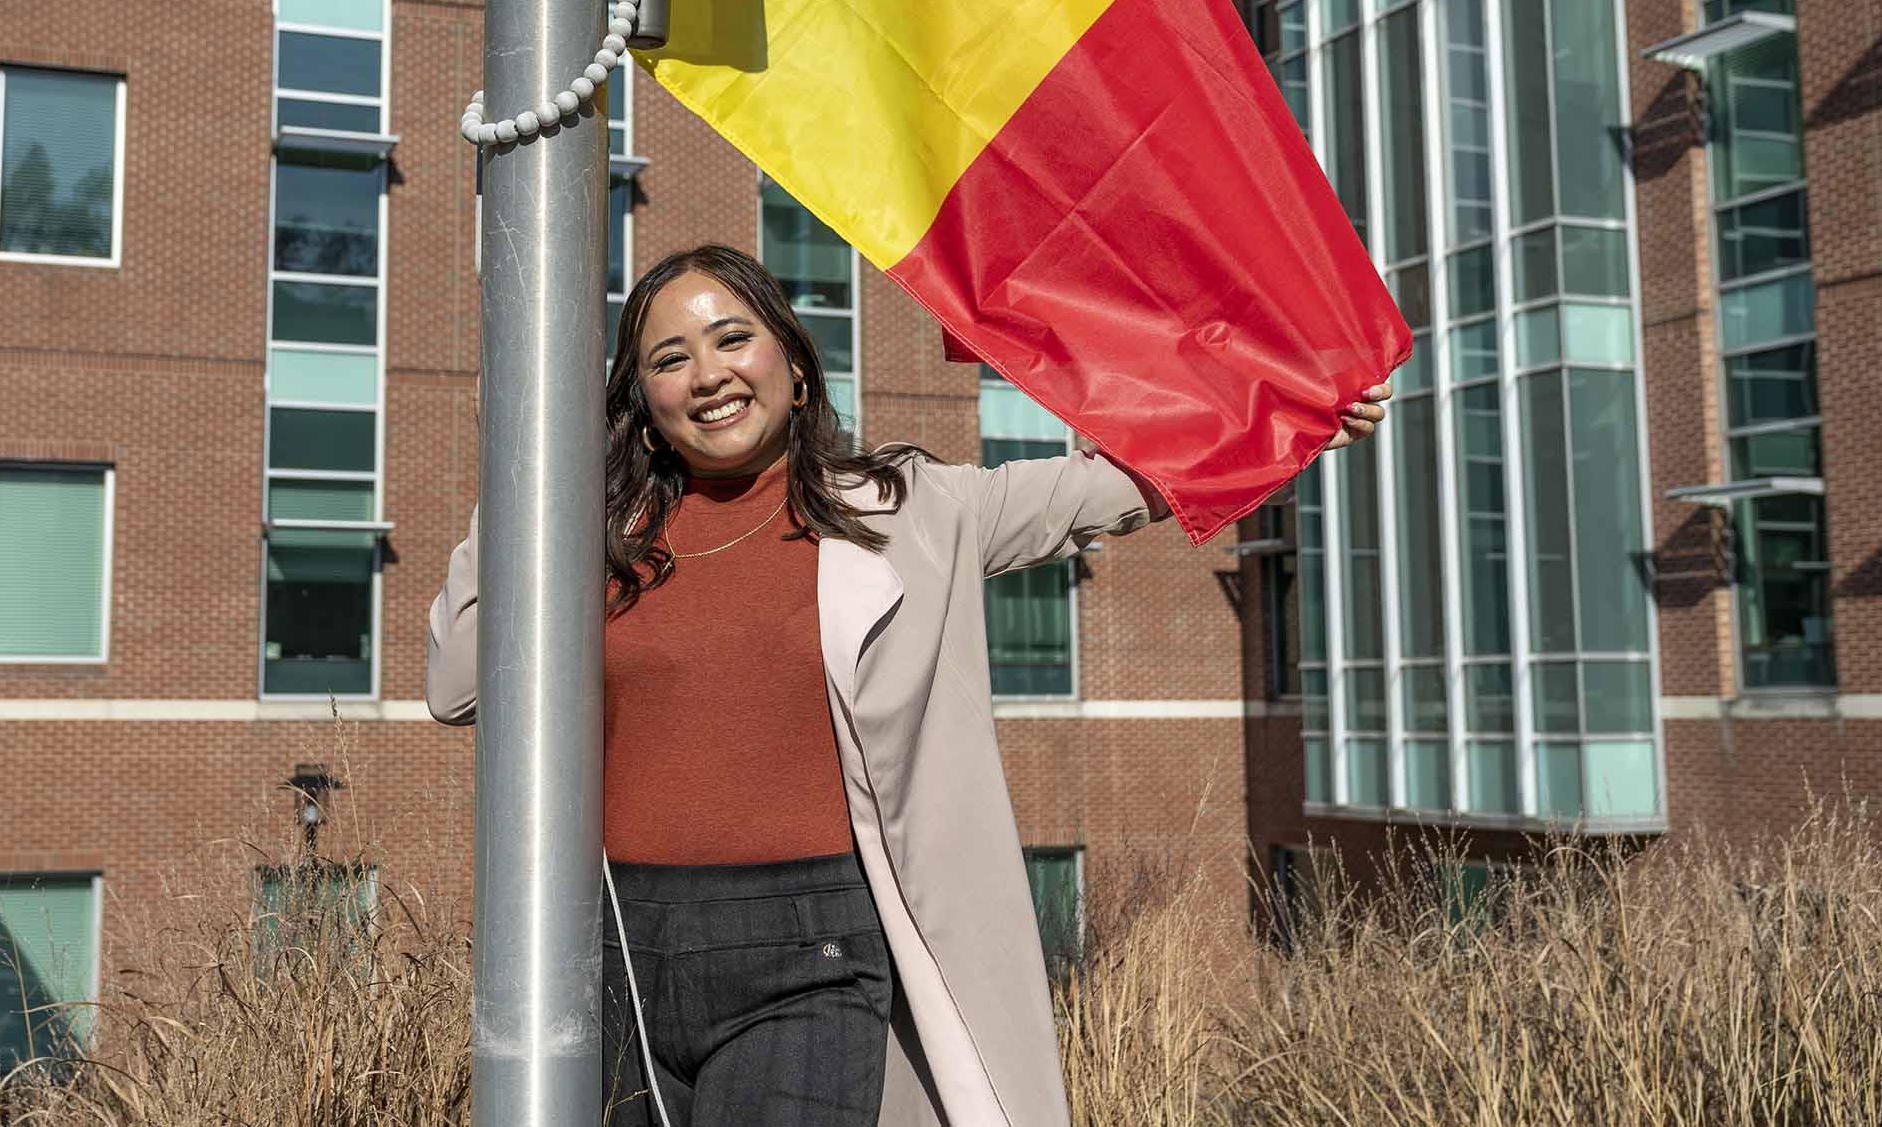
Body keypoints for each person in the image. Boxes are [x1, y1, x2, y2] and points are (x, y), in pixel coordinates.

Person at [425, 244, 1389, 1127]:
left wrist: (1290, 411)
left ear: (795, 368)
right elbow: (458, 687)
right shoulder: (590, 537)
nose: (708, 374)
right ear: (642, 400)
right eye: (669, 359)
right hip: (611, 948)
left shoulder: (908, 512)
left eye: (732, 339)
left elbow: (1109, 487)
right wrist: (529, 481)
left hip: (809, 951)